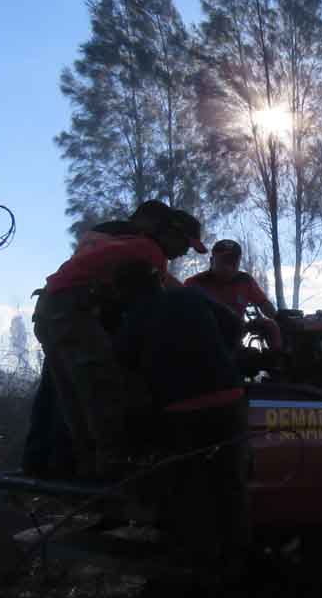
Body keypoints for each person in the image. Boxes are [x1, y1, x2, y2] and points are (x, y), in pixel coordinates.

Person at [31, 204, 207, 477]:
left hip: (49, 310)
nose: (185, 251)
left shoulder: (133, 245)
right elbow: (155, 307)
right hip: (70, 312)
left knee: (75, 396)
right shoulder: (150, 253)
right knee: (105, 389)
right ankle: (114, 471)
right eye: (185, 243)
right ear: (171, 233)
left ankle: (85, 469)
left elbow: (168, 287)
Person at [112, 260, 250, 576]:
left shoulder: (135, 316)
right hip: (229, 400)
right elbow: (234, 325)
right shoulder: (190, 296)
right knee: (230, 484)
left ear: (125, 292)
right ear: (157, 280)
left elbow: (123, 361)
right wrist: (218, 356)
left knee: (190, 489)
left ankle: (196, 567)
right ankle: (235, 563)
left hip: (182, 411)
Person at [184, 239, 281, 349]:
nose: (228, 267)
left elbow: (264, 304)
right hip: (203, 341)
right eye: (223, 261)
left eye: (233, 262)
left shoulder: (245, 280)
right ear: (212, 261)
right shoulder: (194, 283)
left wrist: (279, 319)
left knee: (271, 325)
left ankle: (278, 360)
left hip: (235, 338)